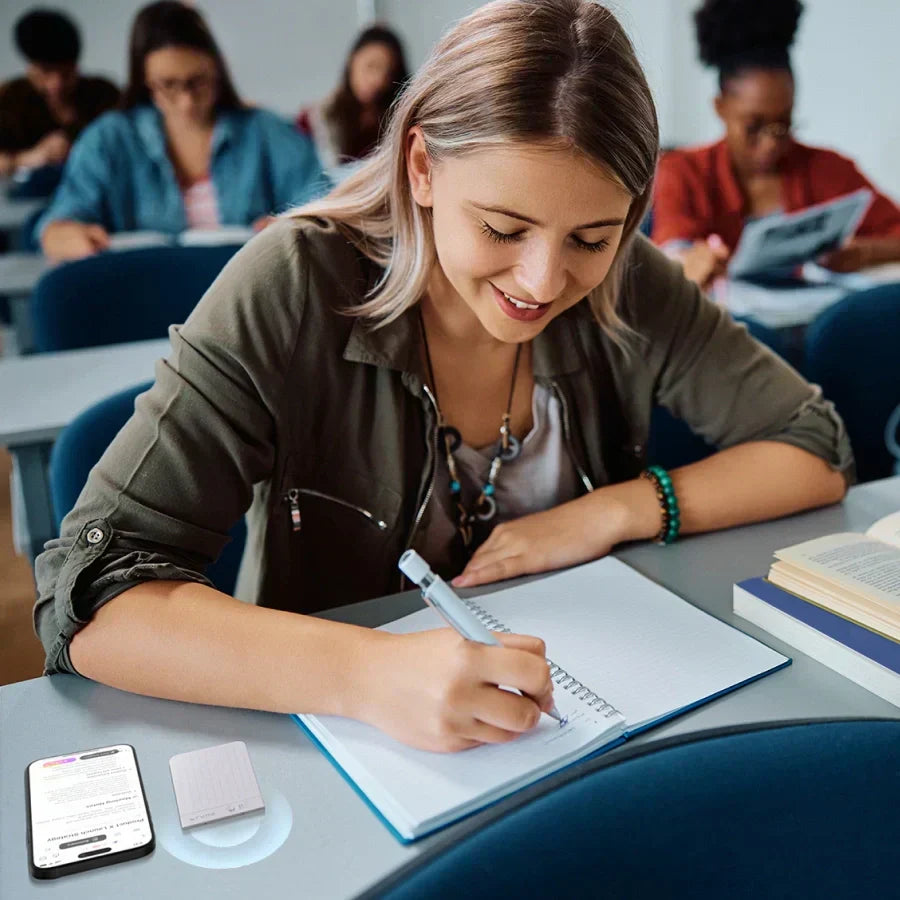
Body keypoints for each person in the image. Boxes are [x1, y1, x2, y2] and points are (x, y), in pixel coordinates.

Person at [35, 0, 851, 755]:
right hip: (339, 740)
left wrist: (619, 510)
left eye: (591, 238)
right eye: (504, 227)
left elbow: (814, 446)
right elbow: (92, 595)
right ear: (422, 168)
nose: (541, 282)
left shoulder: (626, 280)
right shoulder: (293, 283)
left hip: (576, 732)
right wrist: (365, 673)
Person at [39, 1, 327, 262]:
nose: (187, 102)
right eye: (169, 85)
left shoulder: (266, 131)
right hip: (145, 298)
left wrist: (295, 225)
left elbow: (323, 205)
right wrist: (66, 234)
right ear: (146, 82)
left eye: (197, 82)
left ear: (218, 71)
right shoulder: (108, 139)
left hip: (252, 300)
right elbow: (61, 221)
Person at [652, 0, 900, 291]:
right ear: (720, 108)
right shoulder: (684, 171)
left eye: (783, 124)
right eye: (754, 127)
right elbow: (670, 252)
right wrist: (689, 261)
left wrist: (863, 253)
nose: (770, 143)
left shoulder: (827, 169)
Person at [0, 9, 119, 177]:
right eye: (46, 72)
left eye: (66, 74)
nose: (56, 84)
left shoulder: (103, 94)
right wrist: (29, 158)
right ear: (31, 67)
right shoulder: (10, 98)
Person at [296, 25, 408, 174]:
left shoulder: (397, 122)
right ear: (352, 61)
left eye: (388, 73)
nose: (378, 80)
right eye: (371, 66)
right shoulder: (315, 120)